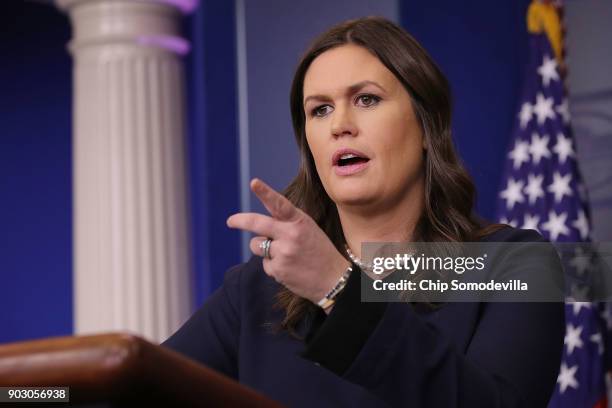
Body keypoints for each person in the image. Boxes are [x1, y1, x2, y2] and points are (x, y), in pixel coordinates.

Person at [163, 16, 564, 407]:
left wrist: (337, 288)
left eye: (366, 99)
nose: (340, 124)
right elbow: (137, 387)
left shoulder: (520, 265)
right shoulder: (256, 288)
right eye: (319, 109)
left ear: (427, 126)